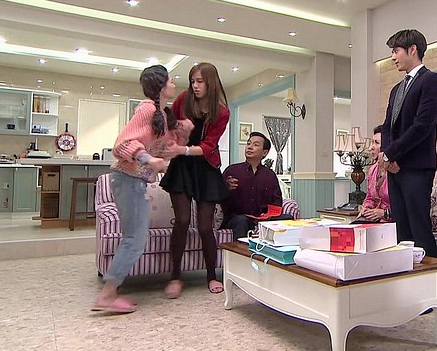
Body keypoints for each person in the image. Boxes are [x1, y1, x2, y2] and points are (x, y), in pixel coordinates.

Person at [92, 65, 192, 314]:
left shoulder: (162, 115)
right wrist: (149, 159)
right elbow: (122, 144)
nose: (174, 84)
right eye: (170, 80)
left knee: (134, 238)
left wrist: (184, 134)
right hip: (127, 178)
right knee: (135, 239)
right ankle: (107, 295)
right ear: (160, 85)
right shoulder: (147, 109)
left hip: (134, 181)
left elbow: (167, 148)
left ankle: (110, 291)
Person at [159, 62, 230, 297]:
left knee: (205, 226)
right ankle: (175, 276)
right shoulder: (183, 99)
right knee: (181, 220)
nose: (195, 86)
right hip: (181, 167)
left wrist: (183, 149)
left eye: (200, 81)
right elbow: (170, 126)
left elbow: (209, 146)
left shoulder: (222, 112)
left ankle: (212, 275)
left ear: (211, 83)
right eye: (193, 81)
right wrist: (173, 139)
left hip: (205, 167)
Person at [379, 29, 437, 257]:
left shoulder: (431, 80)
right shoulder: (396, 89)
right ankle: (406, 274)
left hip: (417, 167)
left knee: (419, 229)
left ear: (412, 49)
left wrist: (391, 154)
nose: (393, 57)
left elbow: (422, 126)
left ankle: (433, 276)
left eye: (396, 51)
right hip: (395, 168)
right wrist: (387, 156)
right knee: (401, 230)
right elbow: (387, 126)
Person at [221, 131, 291, 239]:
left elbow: (277, 202)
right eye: (249, 143)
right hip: (237, 218)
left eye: (255, 145)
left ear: (264, 153)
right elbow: (218, 197)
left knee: (287, 218)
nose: (250, 147)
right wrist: (225, 187)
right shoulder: (232, 171)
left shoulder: (270, 175)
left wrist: (268, 215)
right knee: (242, 221)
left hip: (263, 218)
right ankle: (241, 250)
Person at [355, 125, 391, 223]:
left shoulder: (396, 171)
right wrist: (366, 208)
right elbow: (370, 197)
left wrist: (385, 213)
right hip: (375, 222)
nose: (371, 147)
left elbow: (407, 205)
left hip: (394, 223)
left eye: (376, 143)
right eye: (372, 142)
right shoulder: (373, 169)